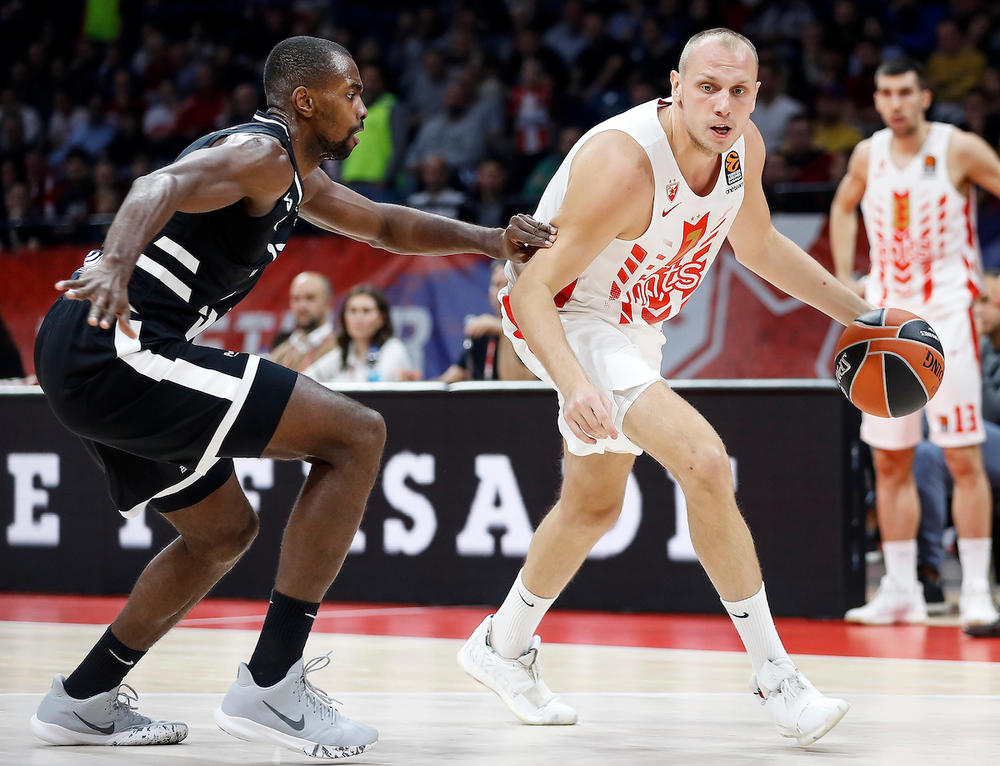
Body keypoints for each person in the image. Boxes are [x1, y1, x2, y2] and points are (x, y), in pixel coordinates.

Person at [29, 36, 555, 757]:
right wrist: (116, 264)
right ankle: (272, 685)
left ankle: (83, 698)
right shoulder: (263, 153)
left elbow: (385, 224)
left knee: (221, 533)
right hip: (117, 346)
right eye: (352, 92)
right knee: (355, 435)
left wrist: (493, 240)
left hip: (87, 351)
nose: (364, 108)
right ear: (306, 101)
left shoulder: (297, 179)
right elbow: (157, 184)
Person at [457, 28, 870, 747]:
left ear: (757, 96)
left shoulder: (743, 150)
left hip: (629, 323)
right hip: (565, 315)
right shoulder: (624, 164)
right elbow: (530, 291)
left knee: (593, 506)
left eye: (738, 91)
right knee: (703, 460)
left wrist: (864, 316)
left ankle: (502, 644)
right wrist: (574, 381)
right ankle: (776, 677)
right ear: (675, 87)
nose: (723, 105)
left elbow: (760, 246)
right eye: (707, 88)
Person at [830, 57, 1000, 628]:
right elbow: (842, 205)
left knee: (962, 456)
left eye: (905, 92)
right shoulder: (867, 154)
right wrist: (845, 278)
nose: (895, 103)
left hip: (949, 317)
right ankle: (900, 590)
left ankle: (975, 590)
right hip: (885, 324)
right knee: (889, 461)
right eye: (885, 93)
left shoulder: (959, 147)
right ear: (877, 100)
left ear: (924, 97)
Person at [438, 261, 535, 383]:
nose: (501, 292)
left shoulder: (534, 331)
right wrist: (418, 385)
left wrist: (502, 330)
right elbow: (450, 379)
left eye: (508, 284)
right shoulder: (484, 332)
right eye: (497, 284)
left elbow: (522, 385)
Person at [304, 284, 414, 383]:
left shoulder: (394, 348)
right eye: (353, 311)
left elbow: (375, 387)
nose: (358, 317)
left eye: (366, 311)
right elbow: (305, 381)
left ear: (381, 318)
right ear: (344, 318)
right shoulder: (344, 352)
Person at [268, 271, 337, 373]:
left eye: (310, 298)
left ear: (328, 303)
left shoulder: (341, 348)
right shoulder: (280, 353)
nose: (301, 306)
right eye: (296, 299)